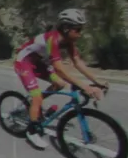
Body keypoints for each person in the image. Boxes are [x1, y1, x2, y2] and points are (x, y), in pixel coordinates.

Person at [14, 8, 107, 137]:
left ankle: (34, 104)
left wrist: (96, 81)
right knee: (37, 96)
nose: (80, 34)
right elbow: (60, 69)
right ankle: (32, 131)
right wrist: (85, 86)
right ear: (66, 28)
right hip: (24, 62)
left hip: (41, 63)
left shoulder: (69, 41)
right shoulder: (53, 40)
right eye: (78, 30)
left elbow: (77, 62)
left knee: (60, 84)